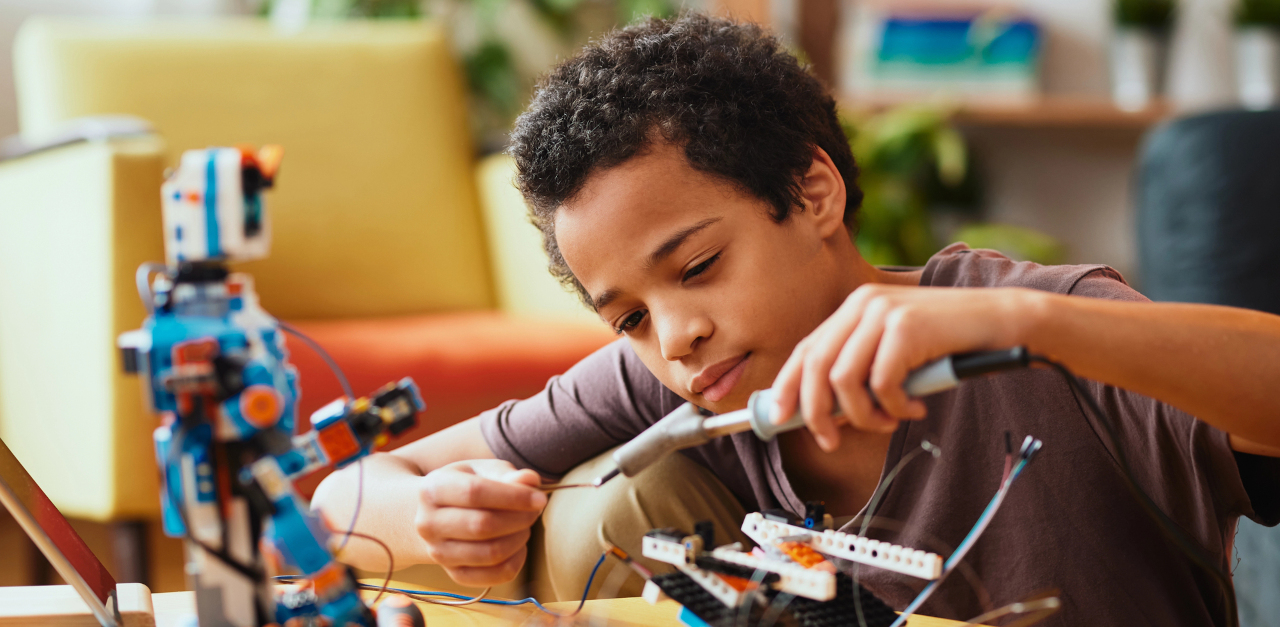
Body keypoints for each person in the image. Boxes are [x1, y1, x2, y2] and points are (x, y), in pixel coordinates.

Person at [311, 14, 1280, 625]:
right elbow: (336, 499)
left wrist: (1035, 322)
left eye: (697, 267)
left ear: (812, 192)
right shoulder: (666, 379)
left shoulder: (1040, 331)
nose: (675, 336)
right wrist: (431, 515)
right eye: (629, 318)